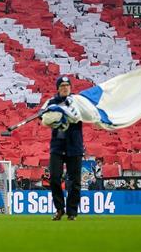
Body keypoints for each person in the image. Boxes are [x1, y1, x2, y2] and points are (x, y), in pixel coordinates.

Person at [46, 76, 84, 221]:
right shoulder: (51, 103)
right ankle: (59, 209)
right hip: (57, 146)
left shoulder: (77, 102)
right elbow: (42, 117)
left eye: (67, 85)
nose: (65, 87)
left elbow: (82, 116)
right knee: (54, 178)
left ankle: (72, 212)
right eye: (62, 85)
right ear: (58, 88)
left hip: (75, 146)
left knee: (75, 181)